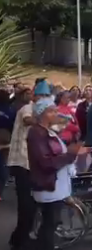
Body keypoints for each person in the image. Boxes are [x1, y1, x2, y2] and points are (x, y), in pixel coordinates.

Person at [27, 98, 91, 250]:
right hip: (49, 185)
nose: (56, 113)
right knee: (50, 223)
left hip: (56, 185)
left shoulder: (46, 131)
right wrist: (72, 154)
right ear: (42, 114)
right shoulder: (36, 133)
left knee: (52, 222)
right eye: (52, 111)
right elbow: (46, 162)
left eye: (56, 110)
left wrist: (73, 152)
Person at [6, 84, 36, 250]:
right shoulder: (27, 108)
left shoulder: (37, 110)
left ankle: (19, 237)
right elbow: (27, 120)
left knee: (31, 204)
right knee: (26, 205)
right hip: (21, 162)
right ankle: (19, 241)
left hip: (30, 163)